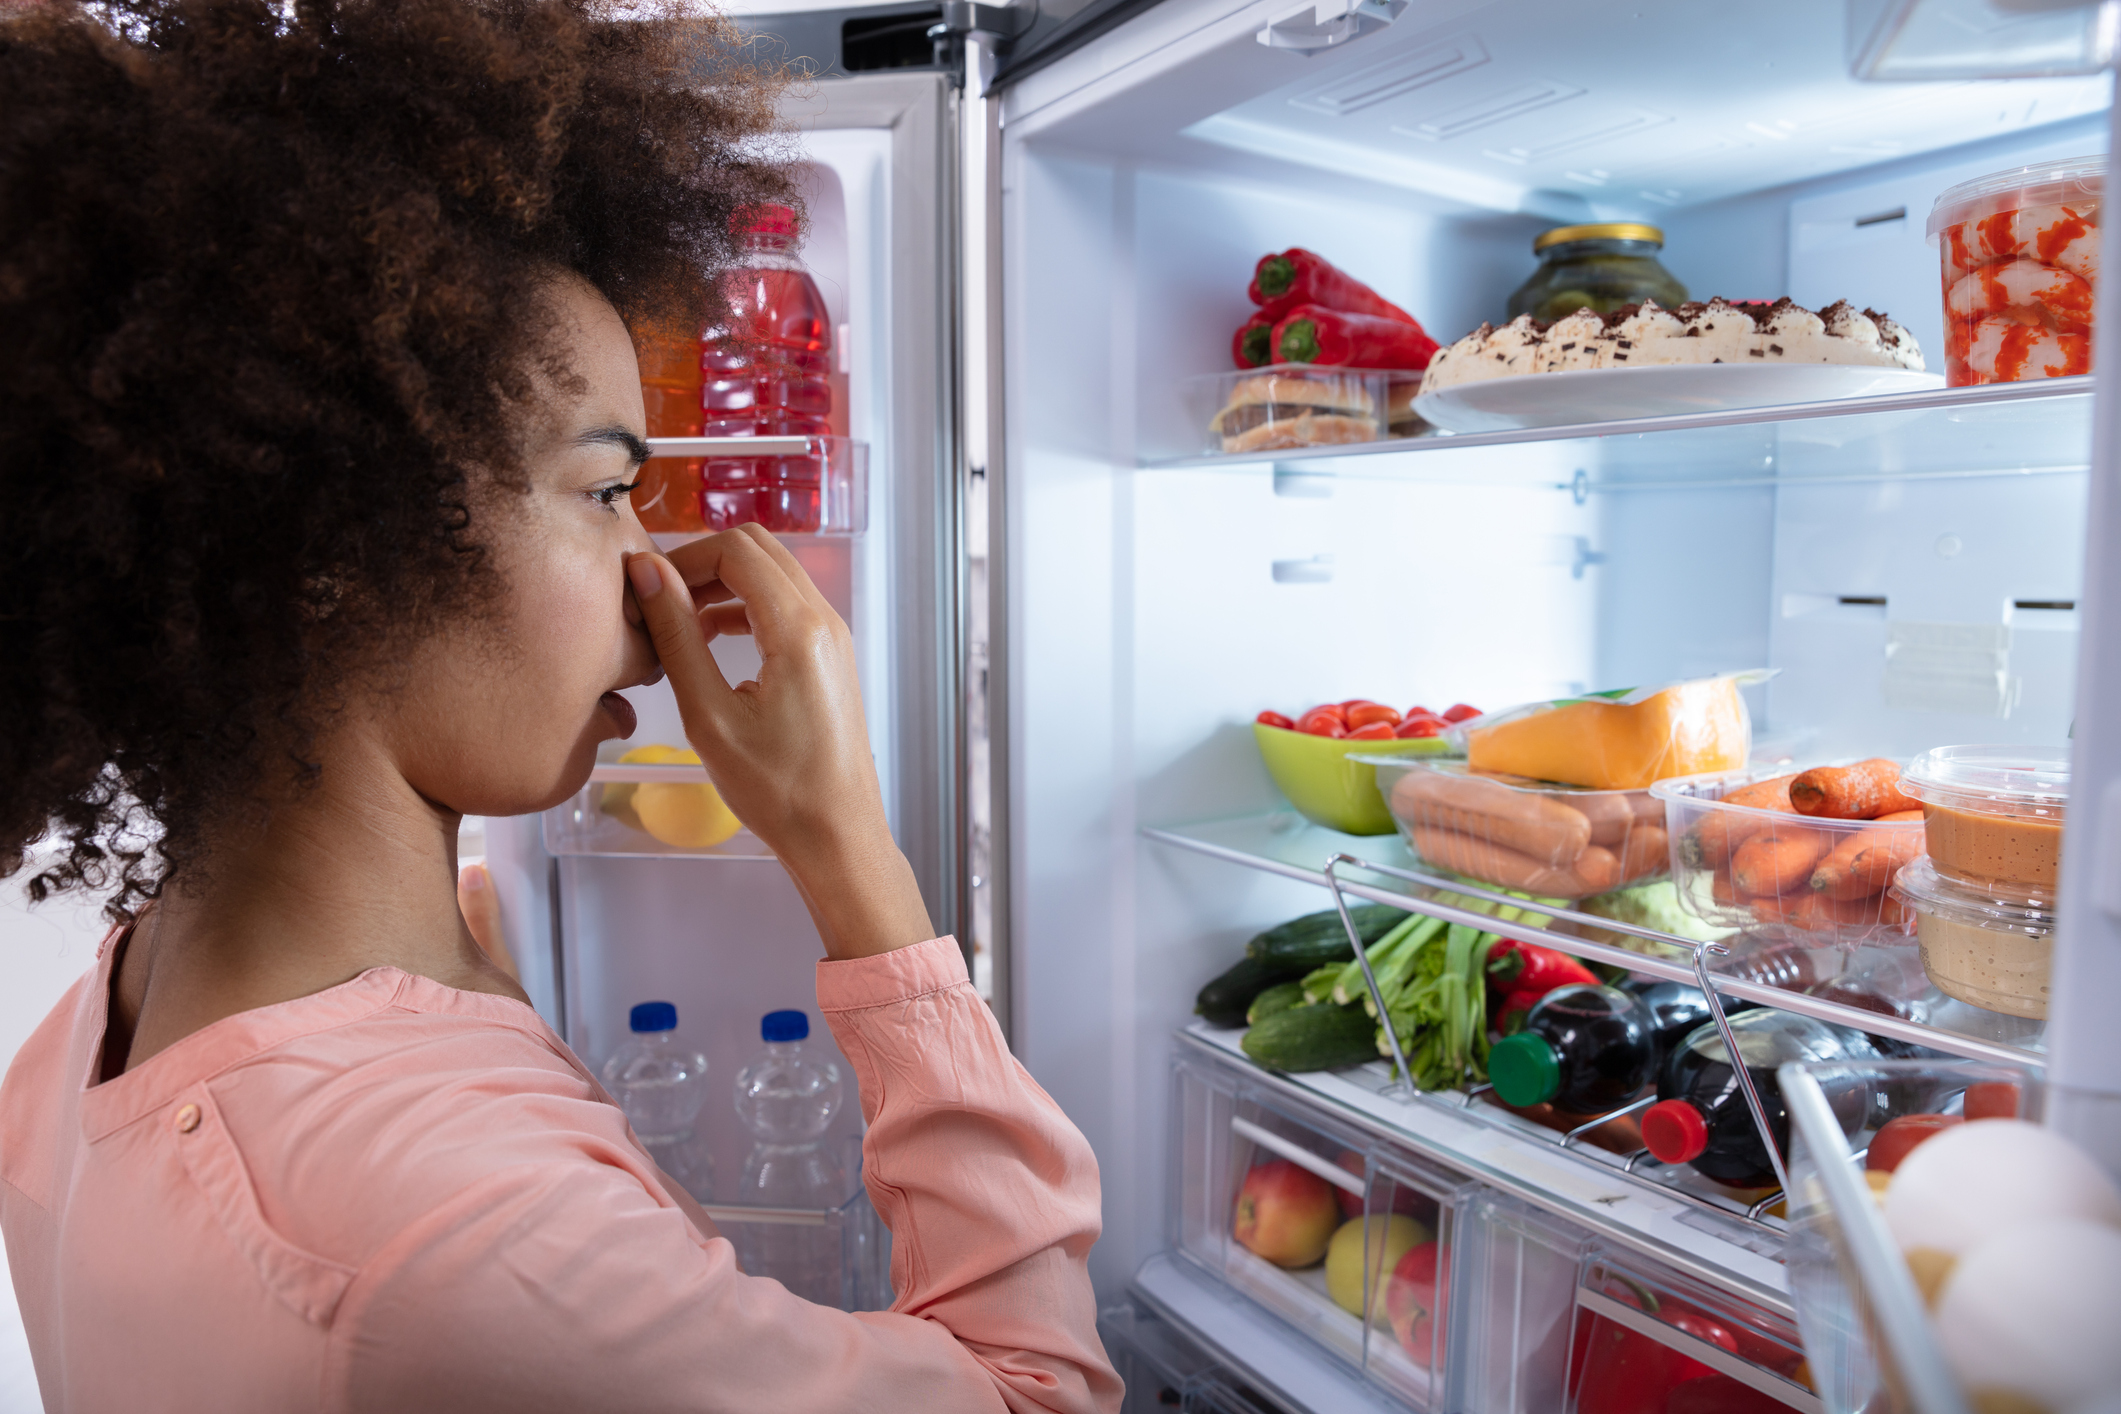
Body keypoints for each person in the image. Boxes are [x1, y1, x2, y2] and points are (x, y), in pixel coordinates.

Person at [0, 0, 1122, 1409]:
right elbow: (1035, 1390)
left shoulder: (92, 1025)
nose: (651, 566)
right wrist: (851, 854)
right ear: (334, 556)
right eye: (603, 489)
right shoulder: (463, 1249)